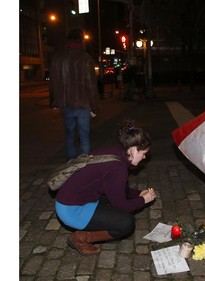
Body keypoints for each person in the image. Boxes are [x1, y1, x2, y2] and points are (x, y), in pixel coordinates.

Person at [54, 118, 156, 255]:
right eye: (143, 153)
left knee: (114, 201)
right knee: (126, 223)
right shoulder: (118, 169)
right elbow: (121, 206)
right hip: (71, 210)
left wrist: (138, 194)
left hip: (69, 200)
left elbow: (117, 189)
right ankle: (80, 238)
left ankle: (97, 224)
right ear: (133, 150)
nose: (144, 158)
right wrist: (143, 200)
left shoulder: (115, 153)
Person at [49, 27, 99, 161]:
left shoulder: (58, 58)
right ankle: (84, 164)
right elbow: (91, 85)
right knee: (84, 135)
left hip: (65, 103)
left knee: (70, 135)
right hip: (83, 104)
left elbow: (53, 82)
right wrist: (94, 107)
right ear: (81, 40)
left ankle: (71, 164)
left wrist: (54, 101)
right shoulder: (85, 58)